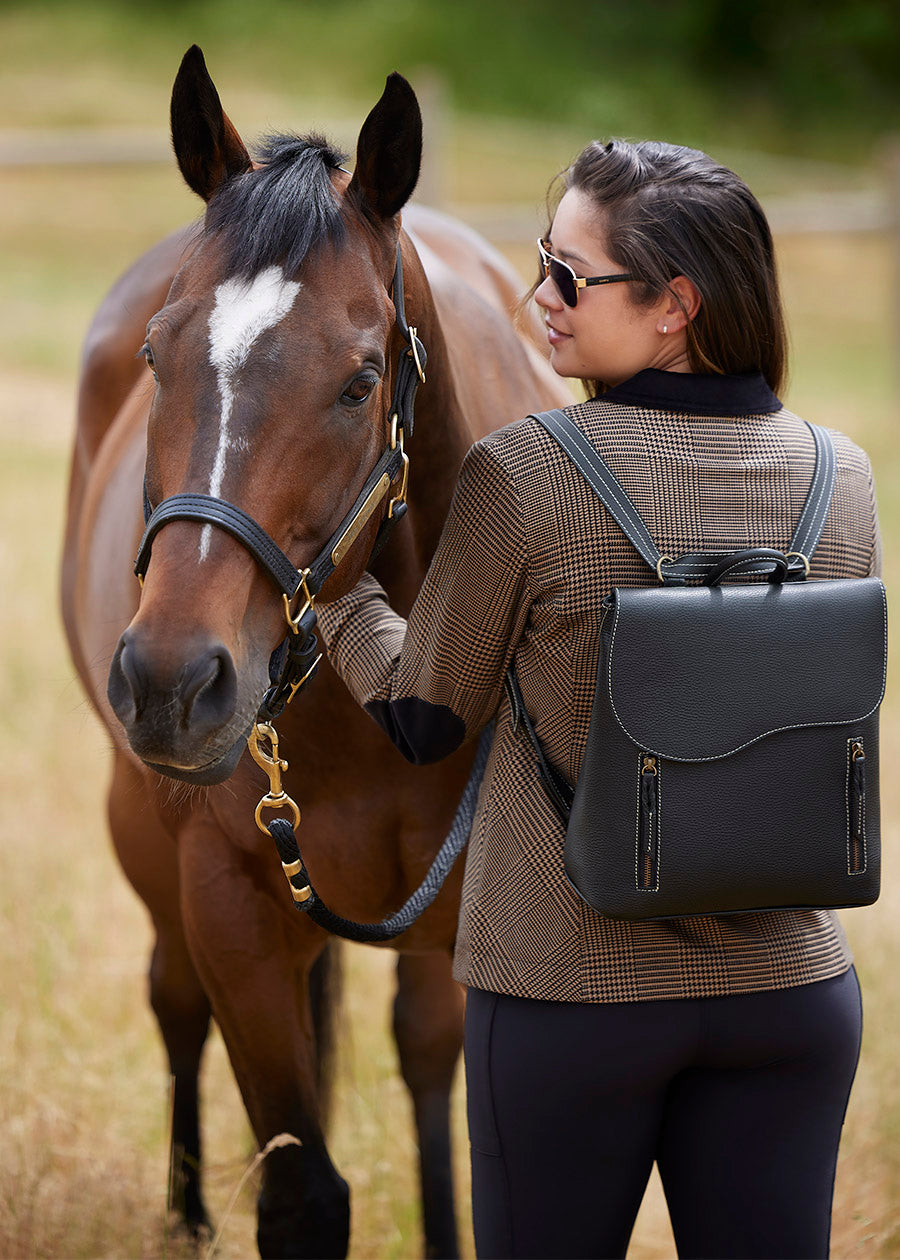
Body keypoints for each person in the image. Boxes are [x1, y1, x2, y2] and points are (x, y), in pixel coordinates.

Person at [314, 139, 880, 1259]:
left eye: (572, 277)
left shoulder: (528, 473)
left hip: (570, 1001)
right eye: (540, 263)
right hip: (793, 1001)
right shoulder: (840, 472)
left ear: (676, 306)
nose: (538, 301)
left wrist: (338, 592)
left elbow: (424, 714)